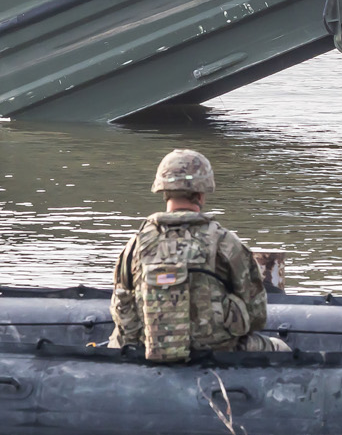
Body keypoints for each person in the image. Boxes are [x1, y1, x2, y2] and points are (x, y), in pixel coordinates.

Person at [110, 149, 287, 362]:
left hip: (148, 349)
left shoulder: (135, 245)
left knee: (113, 343)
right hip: (218, 351)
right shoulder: (225, 242)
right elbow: (257, 315)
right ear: (201, 194)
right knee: (281, 349)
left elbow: (121, 306)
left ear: (163, 191)